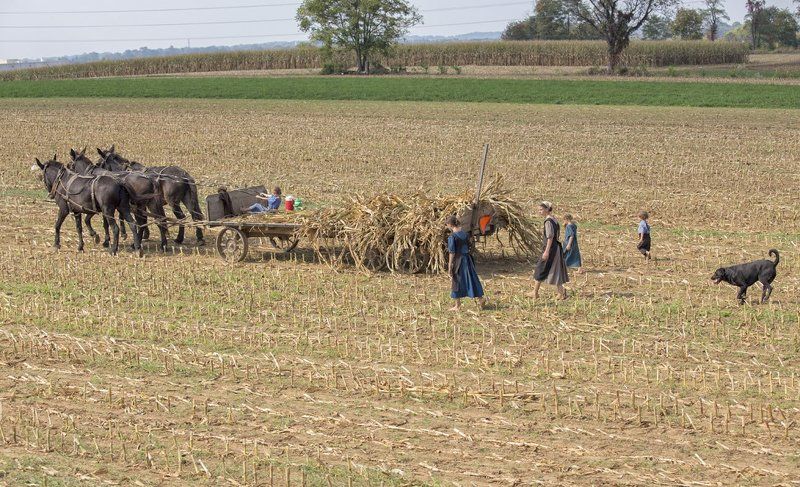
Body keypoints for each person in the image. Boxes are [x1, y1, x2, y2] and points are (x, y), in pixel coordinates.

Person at [446, 215, 486, 311]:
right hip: (467, 259)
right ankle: (481, 299)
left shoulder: (452, 237)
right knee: (472, 278)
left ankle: (457, 305)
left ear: (450, 225)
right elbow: (469, 245)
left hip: (459, 261)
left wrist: (449, 265)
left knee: (456, 281)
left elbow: (452, 252)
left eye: (447, 225)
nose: (447, 227)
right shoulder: (464, 234)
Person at [532, 201, 569, 300]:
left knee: (540, 269)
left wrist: (546, 251)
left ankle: (535, 293)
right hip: (556, 248)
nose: (539, 211)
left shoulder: (548, 221)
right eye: (539, 210)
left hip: (551, 248)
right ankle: (561, 293)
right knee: (556, 270)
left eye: (541, 209)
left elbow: (550, 237)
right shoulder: (554, 219)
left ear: (547, 209)